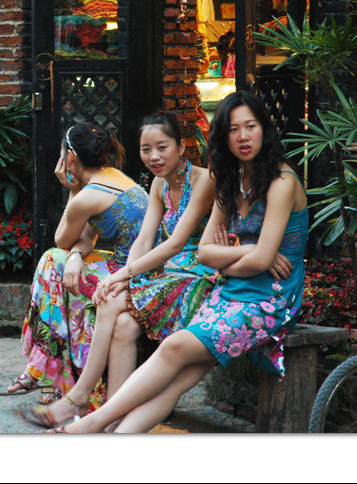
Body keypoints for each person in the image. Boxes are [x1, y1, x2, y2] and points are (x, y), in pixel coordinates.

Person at [52, 90, 308, 433]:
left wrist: (245, 257)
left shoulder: (282, 181)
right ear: (223, 137)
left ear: (265, 129)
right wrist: (248, 253)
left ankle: (92, 422)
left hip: (271, 298)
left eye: (251, 126)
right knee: (180, 379)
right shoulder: (229, 181)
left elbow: (256, 260)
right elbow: (208, 253)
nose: (243, 137)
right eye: (233, 129)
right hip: (231, 289)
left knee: (174, 347)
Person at [18, 111, 216, 428]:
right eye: (146, 149)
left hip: (198, 274)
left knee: (103, 296)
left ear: (181, 147)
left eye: (162, 147)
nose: (154, 157)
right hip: (163, 271)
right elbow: (144, 240)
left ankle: (78, 397)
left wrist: (123, 275)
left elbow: (176, 243)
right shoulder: (159, 184)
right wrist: (124, 277)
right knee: (122, 322)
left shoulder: (203, 181)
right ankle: (111, 418)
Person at [0, 122, 148, 405]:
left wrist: (71, 190)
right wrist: (75, 256)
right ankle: (49, 370)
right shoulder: (111, 176)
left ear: (69, 158)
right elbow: (85, 239)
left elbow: (61, 239)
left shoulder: (86, 196)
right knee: (56, 263)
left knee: (51, 263)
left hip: (132, 275)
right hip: (132, 266)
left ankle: (51, 372)